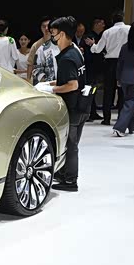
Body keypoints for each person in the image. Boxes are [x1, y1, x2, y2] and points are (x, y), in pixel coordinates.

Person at [47, 16, 87, 192]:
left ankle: (70, 180)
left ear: (62, 34)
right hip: (82, 104)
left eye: (53, 33)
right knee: (71, 143)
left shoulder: (66, 58)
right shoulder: (75, 51)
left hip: (73, 107)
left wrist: (52, 90)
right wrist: (53, 83)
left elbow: (72, 84)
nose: (52, 37)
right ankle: (63, 174)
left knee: (71, 145)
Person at [87, 11, 130, 125]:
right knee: (123, 91)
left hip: (110, 63)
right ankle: (122, 118)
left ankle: (106, 118)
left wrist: (92, 45)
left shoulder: (107, 32)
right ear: (123, 18)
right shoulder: (129, 29)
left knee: (108, 91)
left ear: (112, 20)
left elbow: (98, 49)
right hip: (125, 63)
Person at [112, 22, 134, 137]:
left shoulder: (125, 47)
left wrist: (118, 77)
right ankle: (119, 127)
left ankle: (131, 127)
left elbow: (119, 63)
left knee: (128, 101)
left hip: (124, 77)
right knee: (130, 102)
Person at [27, 17, 57, 84]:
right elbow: (30, 64)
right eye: (44, 26)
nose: (46, 28)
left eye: (48, 26)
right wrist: (28, 80)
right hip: (41, 81)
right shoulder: (36, 45)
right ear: (41, 28)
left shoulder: (59, 42)